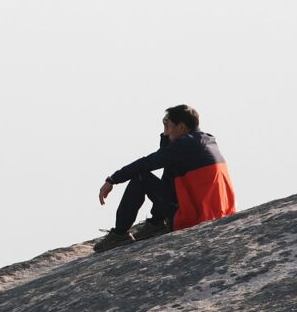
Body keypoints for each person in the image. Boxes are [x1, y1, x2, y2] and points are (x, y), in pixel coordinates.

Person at [94, 104, 236, 252]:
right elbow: (165, 157)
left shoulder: (184, 146)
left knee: (141, 177)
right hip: (218, 214)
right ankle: (156, 223)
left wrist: (113, 179)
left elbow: (148, 162)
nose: (167, 132)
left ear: (181, 127)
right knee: (171, 167)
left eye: (169, 126)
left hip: (195, 219)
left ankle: (119, 234)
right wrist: (166, 133)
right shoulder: (207, 140)